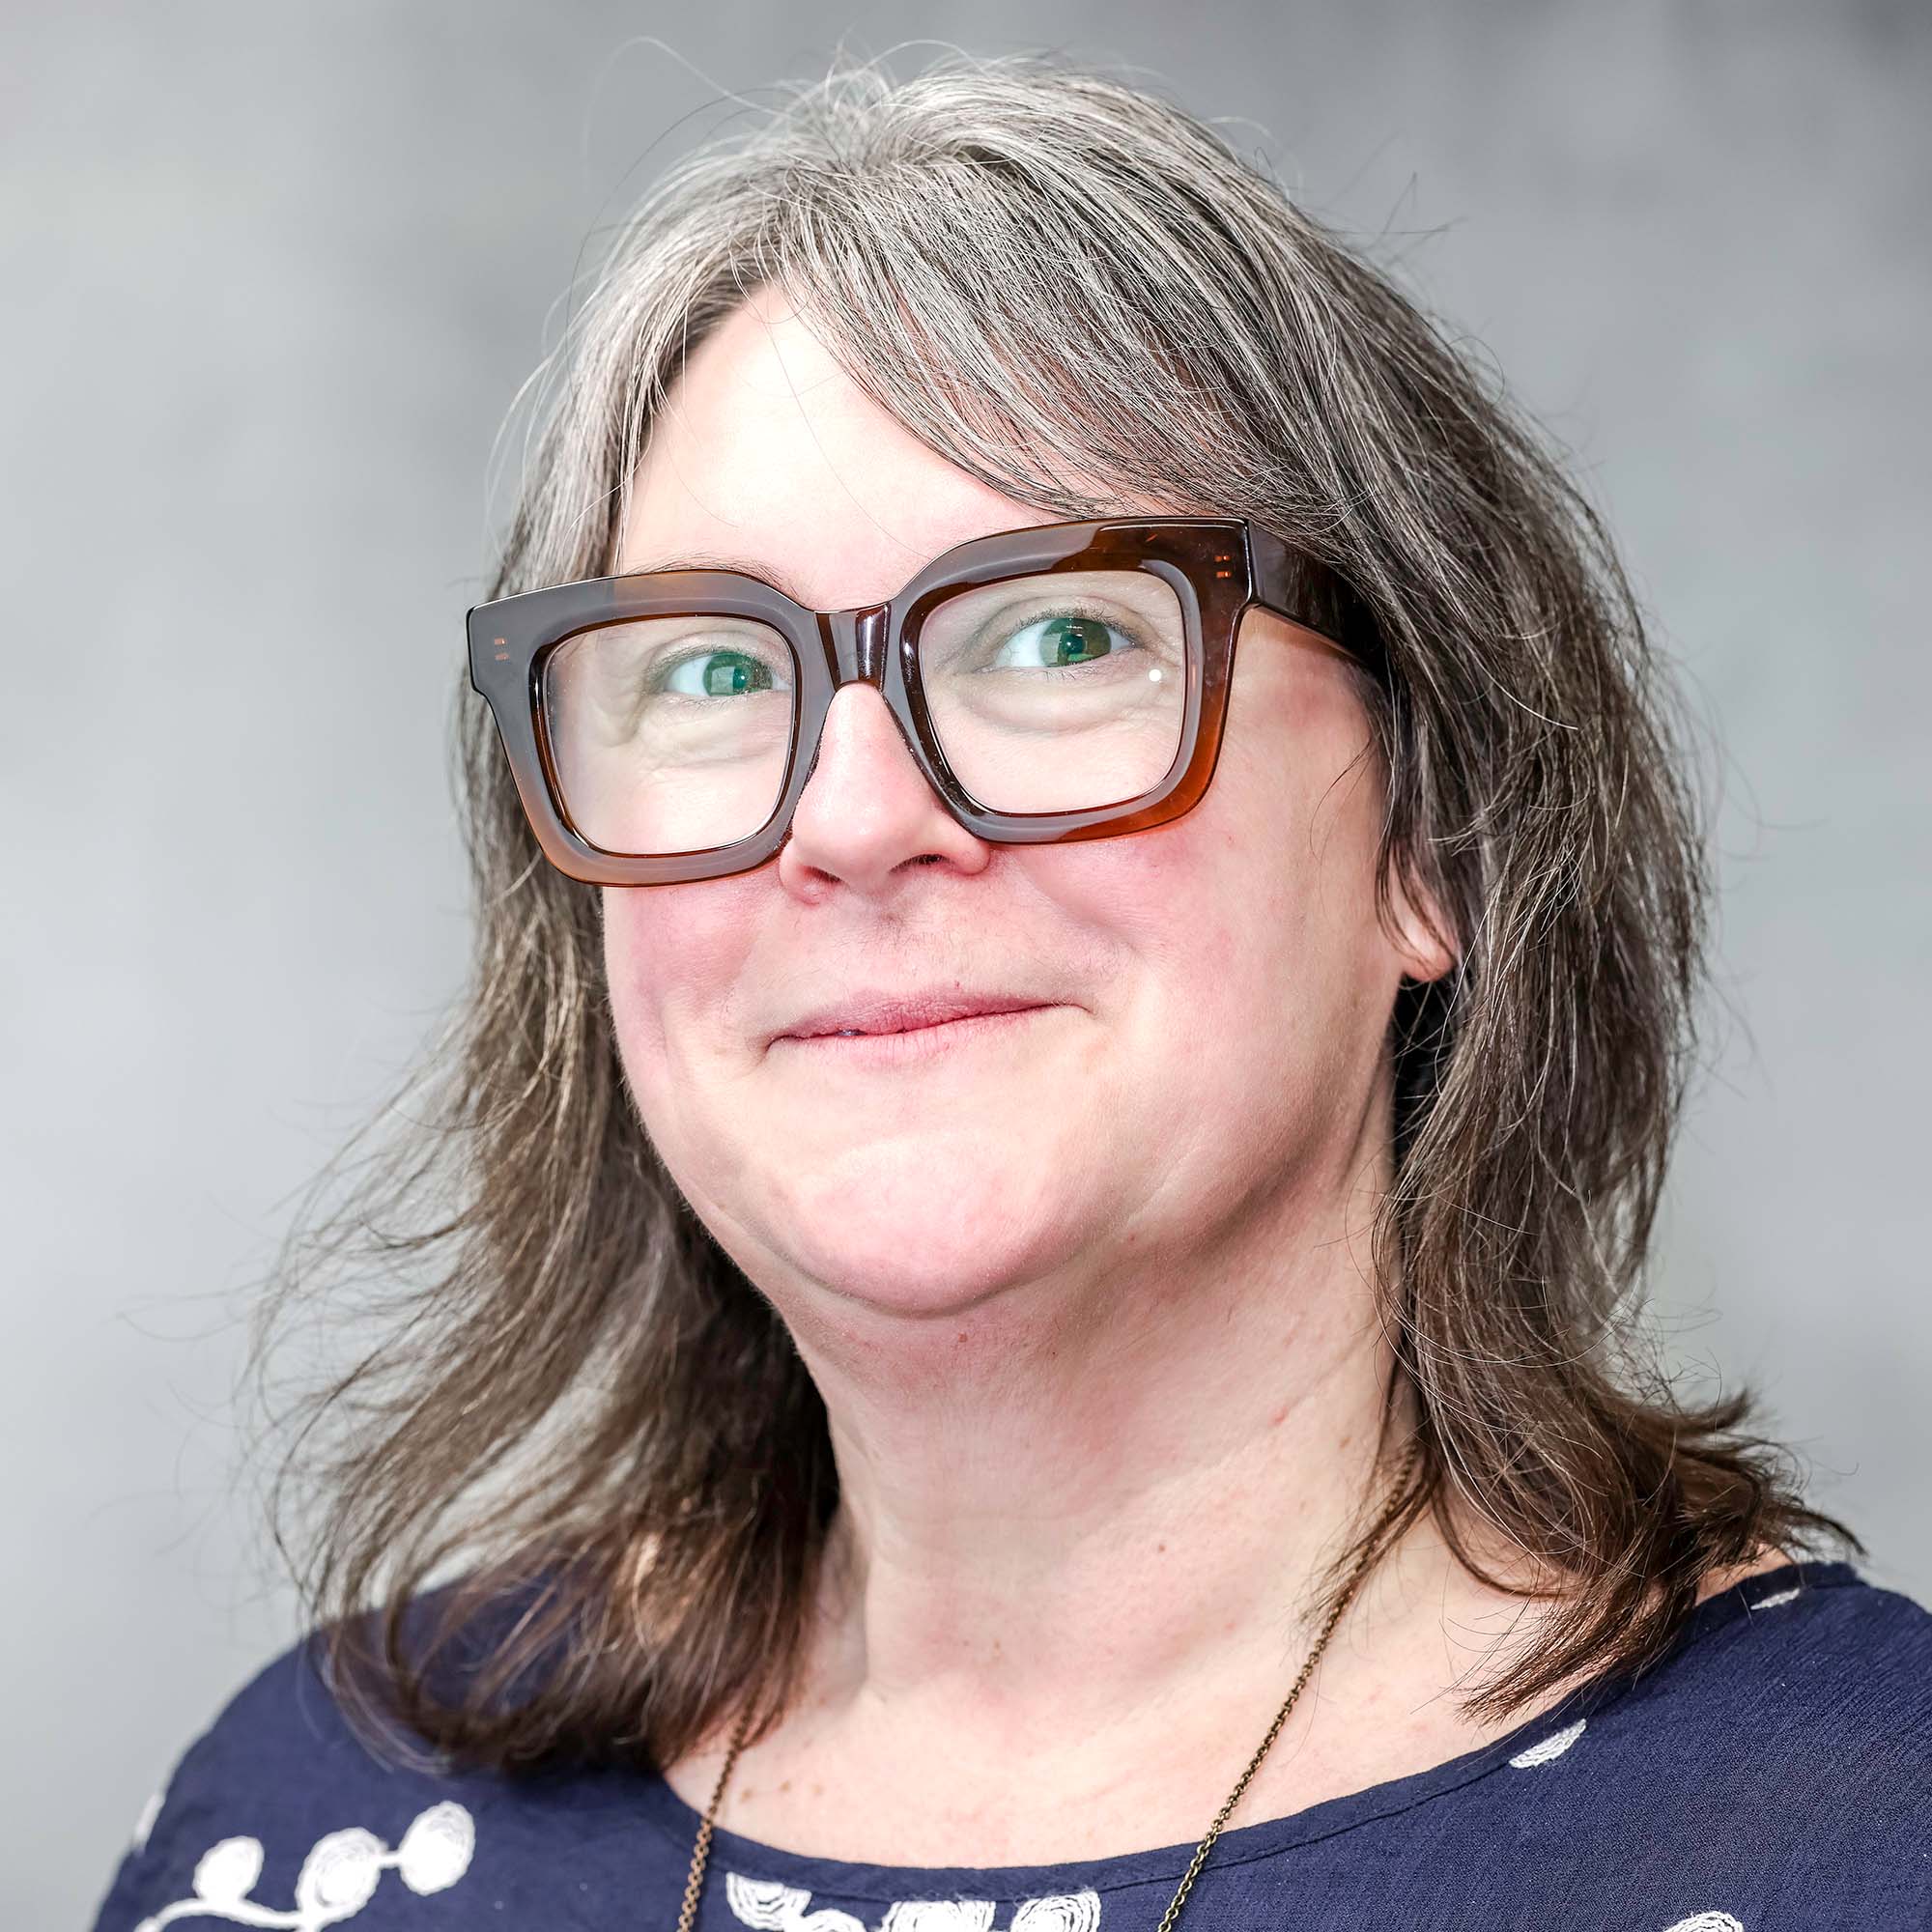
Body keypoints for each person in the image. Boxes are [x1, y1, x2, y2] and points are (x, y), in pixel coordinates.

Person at [93, 51, 1928, 1932]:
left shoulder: (1866, 1842)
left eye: (1060, 634)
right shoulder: (307, 1821)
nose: (853, 814)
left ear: (1427, 842)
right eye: (714, 677)